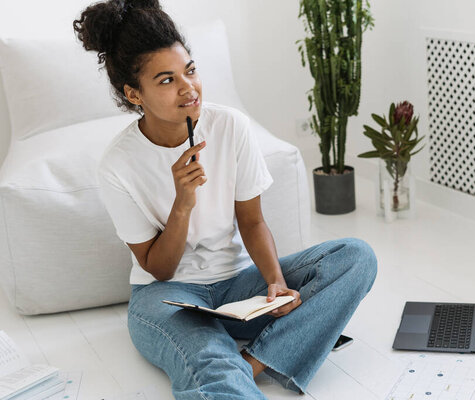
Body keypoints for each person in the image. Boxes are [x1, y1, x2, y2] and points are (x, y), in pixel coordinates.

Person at [73, 0, 377, 398]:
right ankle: (233, 367)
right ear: (134, 94)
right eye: (166, 80)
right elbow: (158, 269)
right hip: (167, 297)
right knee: (210, 361)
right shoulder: (117, 165)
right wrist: (182, 203)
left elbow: (252, 222)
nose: (188, 88)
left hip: (237, 287)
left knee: (355, 257)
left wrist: (275, 285)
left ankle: (254, 363)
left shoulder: (230, 126)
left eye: (191, 70)